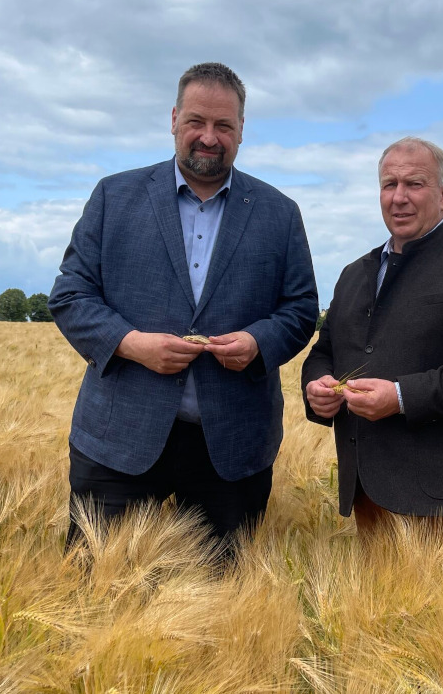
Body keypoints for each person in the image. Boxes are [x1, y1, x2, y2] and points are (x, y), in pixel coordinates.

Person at [50, 62, 318, 555]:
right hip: (118, 442)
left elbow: (300, 309)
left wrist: (258, 343)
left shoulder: (280, 213)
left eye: (224, 126)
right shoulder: (114, 196)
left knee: (221, 604)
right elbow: (71, 295)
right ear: (173, 119)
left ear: (242, 132)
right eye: (196, 121)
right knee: (94, 594)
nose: (209, 137)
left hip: (232, 448)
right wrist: (131, 344)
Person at [302, 137, 443, 544]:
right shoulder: (355, 273)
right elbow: (325, 353)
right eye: (389, 185)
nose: (399, 198)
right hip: (368, 496)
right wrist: (317, 387)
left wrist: (401, 396)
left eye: (414, 184)